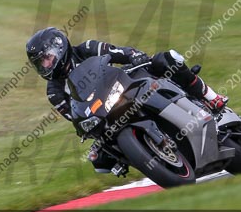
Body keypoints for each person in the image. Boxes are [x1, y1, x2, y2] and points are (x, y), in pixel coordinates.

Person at [25, 27, 227, 171]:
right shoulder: (54, 92)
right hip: (104, 114)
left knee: (167, 59)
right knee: (99, 157)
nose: (46, 65)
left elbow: (119, 52)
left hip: (125, 84)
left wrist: (135, 56)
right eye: (40, 63)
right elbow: (75, 117)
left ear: (59, 47)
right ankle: (145, 157)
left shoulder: (86, 48)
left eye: (47, 57)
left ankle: (210, 98)